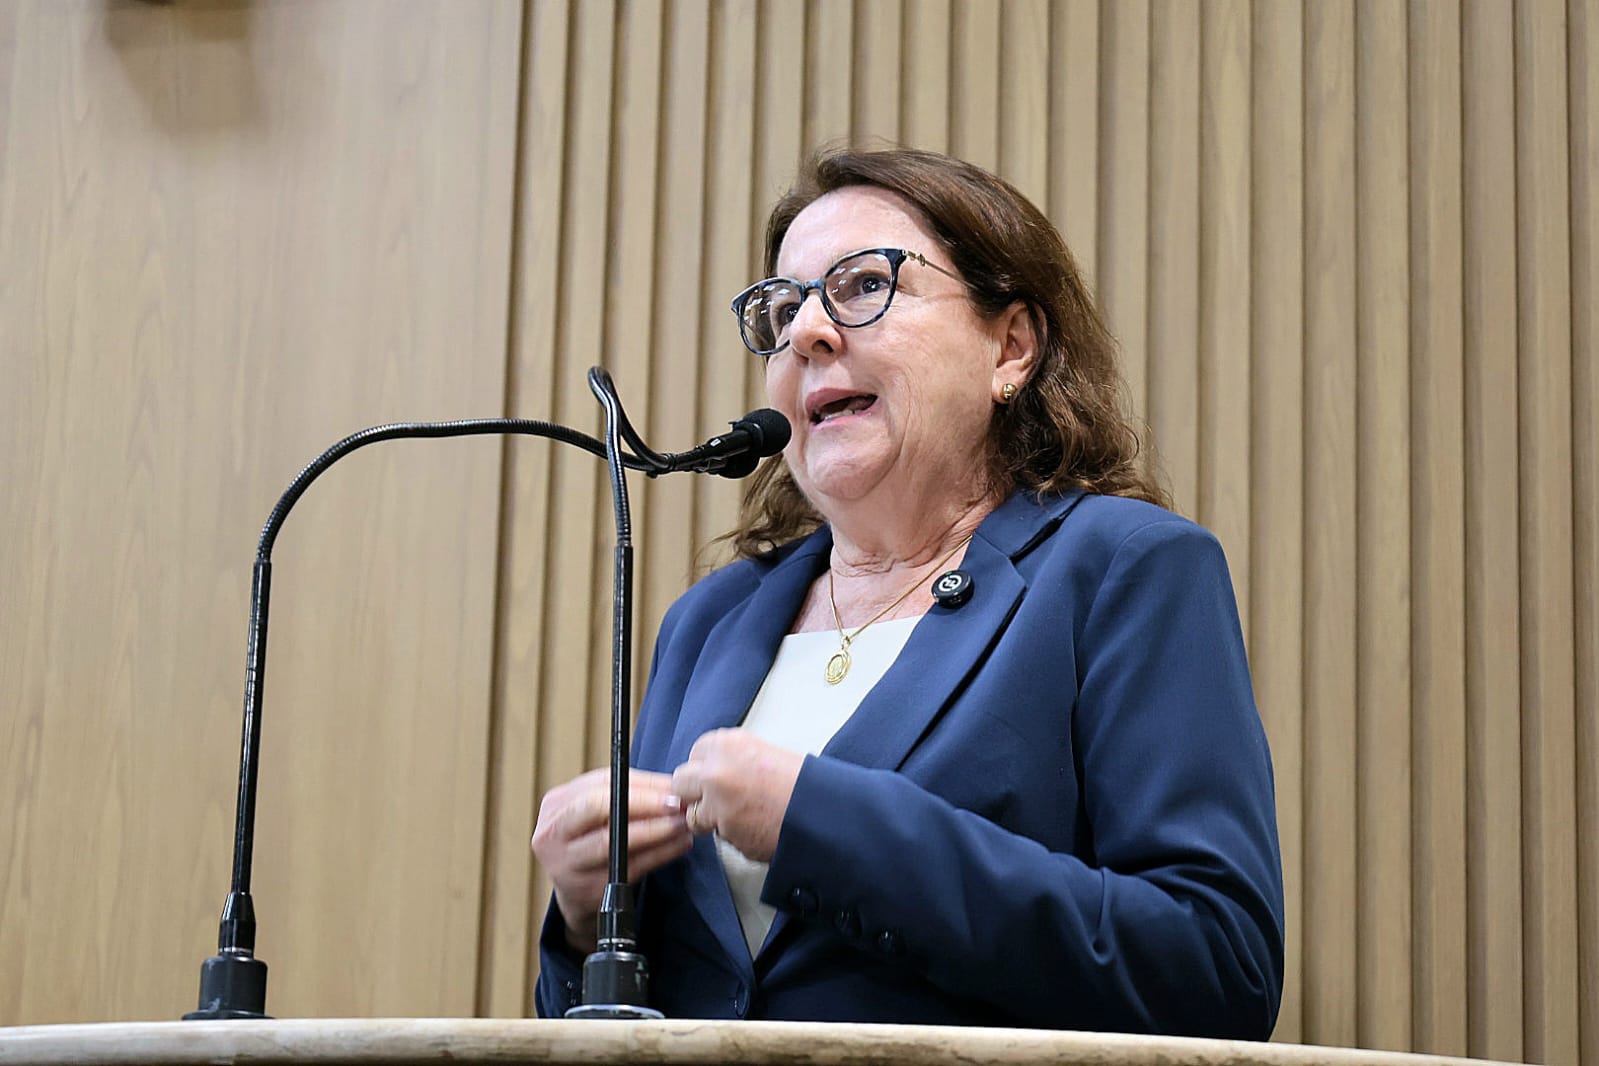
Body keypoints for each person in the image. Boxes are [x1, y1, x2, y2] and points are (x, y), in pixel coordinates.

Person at [531, 147, 1284, 1037]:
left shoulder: (1122, 570)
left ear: (1010, 347)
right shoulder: (709, 620)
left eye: (862, 285)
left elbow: (1215, 967)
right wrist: (583, 914)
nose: (807, 332)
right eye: (784, 308)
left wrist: (824, 828)